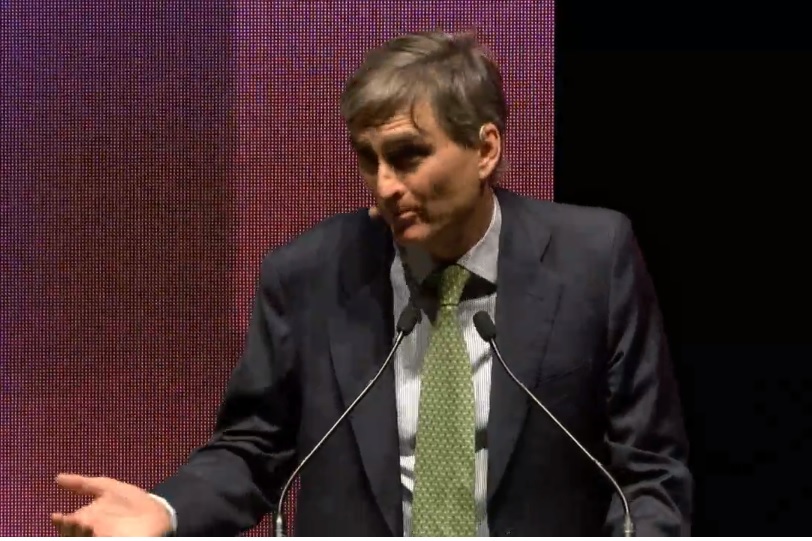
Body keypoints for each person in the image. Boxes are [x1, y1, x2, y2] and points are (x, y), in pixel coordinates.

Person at [52, 31, 692, 537]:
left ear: (486, 149)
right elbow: (254, 448)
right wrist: (166, 510)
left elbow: (648, 471)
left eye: (408, 156)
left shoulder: (593, 258)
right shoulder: (307, 275)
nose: (385, 186)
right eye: (369, 159)